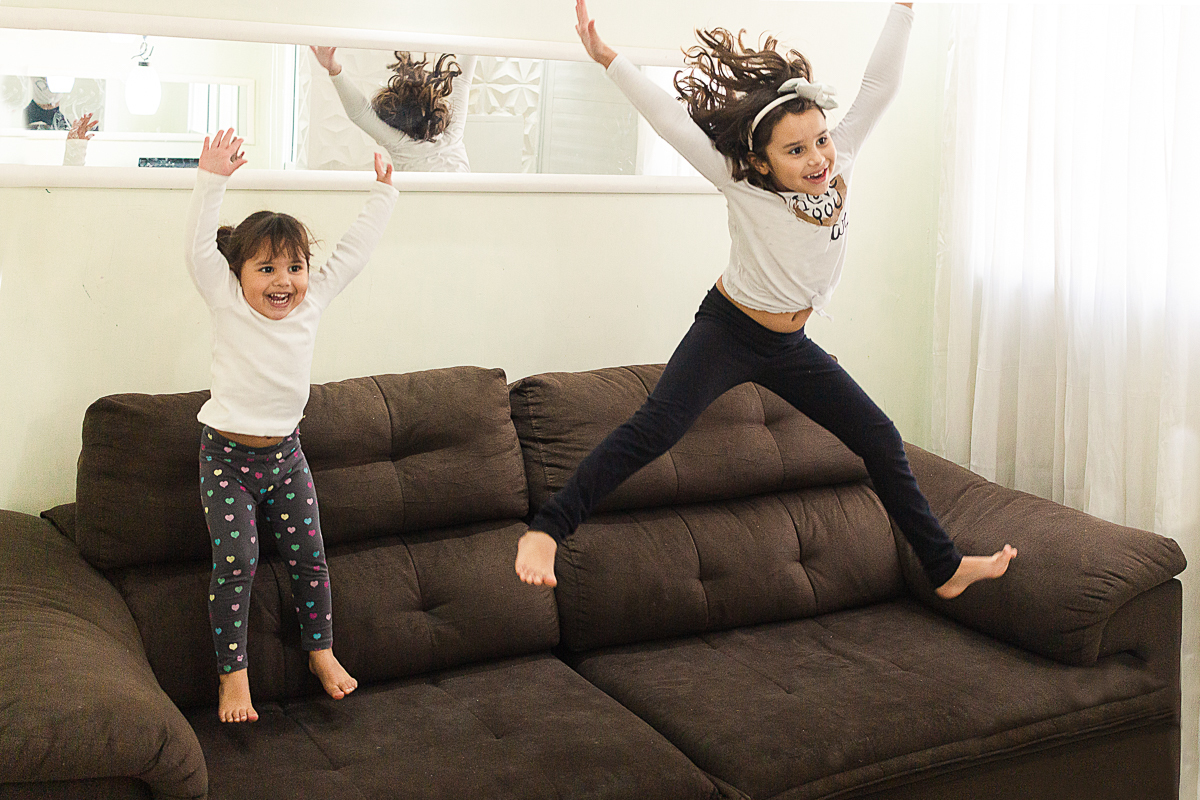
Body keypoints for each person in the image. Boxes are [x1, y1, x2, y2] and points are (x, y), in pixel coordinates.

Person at [515, 0, 1017, 600]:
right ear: (760, 160)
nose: (819, 159)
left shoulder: (841, 160)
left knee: (880, 437)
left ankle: (944, 568)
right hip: (728, 332)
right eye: (796, 151)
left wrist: (904, 8)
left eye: (821, 141)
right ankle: (546, 530)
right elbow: (671, 121)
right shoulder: (739, 180)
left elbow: (879, 84)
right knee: (656, 429)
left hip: (790, 345)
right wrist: (608, 59)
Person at [186, 127, 398, 722]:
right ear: (240, 273)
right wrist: (212, 180)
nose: (283, 281)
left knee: (311, 556)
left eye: (295, 267)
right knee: (238, 564)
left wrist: (383, 196)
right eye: (267, 268)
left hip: (286, 459)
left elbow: (352, 253)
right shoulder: (224, 298)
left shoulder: (313, 301)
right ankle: (234, 676)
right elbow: (197, 249)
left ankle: (321, 651)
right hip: (226, 460)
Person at [310, 47, 478, 173]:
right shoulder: (452, 136)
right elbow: (462, 81)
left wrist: (334, 69)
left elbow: (360, 113)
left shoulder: (402, 146)